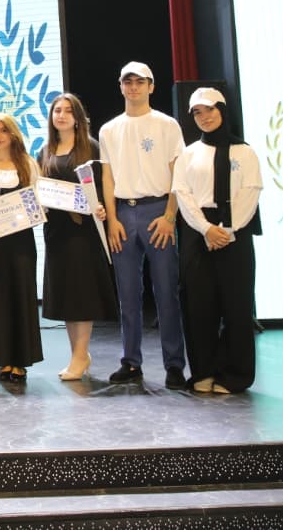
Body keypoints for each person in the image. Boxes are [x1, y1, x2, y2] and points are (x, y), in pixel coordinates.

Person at [99, 62, 188, 389]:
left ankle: (174, 364)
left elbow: (179, 172)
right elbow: (107, 177)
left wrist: (169, 216)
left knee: (166, 291)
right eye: (128, 82)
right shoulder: (109, 129)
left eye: (140, 82)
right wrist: (112, 220)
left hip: (157, 211)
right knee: (128, 293)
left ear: (151, 86)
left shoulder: (167, 125)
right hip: (124, 213)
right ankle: (131, 361)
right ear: (121, 86)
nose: (134, 87)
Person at [172, 87, 263, 394]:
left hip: (235, 232)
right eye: (197, 112)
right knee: (198, 305)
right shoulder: (188, 154)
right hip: (198, 234)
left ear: (223, 110)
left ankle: (235, 374)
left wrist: (228, 231)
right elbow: (183, 194)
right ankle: (203, 371)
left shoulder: (245, 152)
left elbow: (250, 192)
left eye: (209, 109)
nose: (205, 117)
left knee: (236, 305)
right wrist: (206, 229)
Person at [39, 93, 117, 381]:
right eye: (57, 110)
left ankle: (80, 354)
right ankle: (79, 355)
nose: (61, 115)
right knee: (67, 296)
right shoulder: (45, 150)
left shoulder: (91, 147)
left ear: (78, 117)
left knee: (82, 294)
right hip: (56, 232)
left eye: (68, 111)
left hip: (83, 232)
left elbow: (103, 186)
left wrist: (102, 207)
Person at [0, 114, 43, 383]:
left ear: (13, 134)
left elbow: (38, 204)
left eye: (3, 130)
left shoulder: (27, 164)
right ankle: (3, 359)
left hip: (20, 241)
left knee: (21, 295)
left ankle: (20, 361)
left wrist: (17, 219)